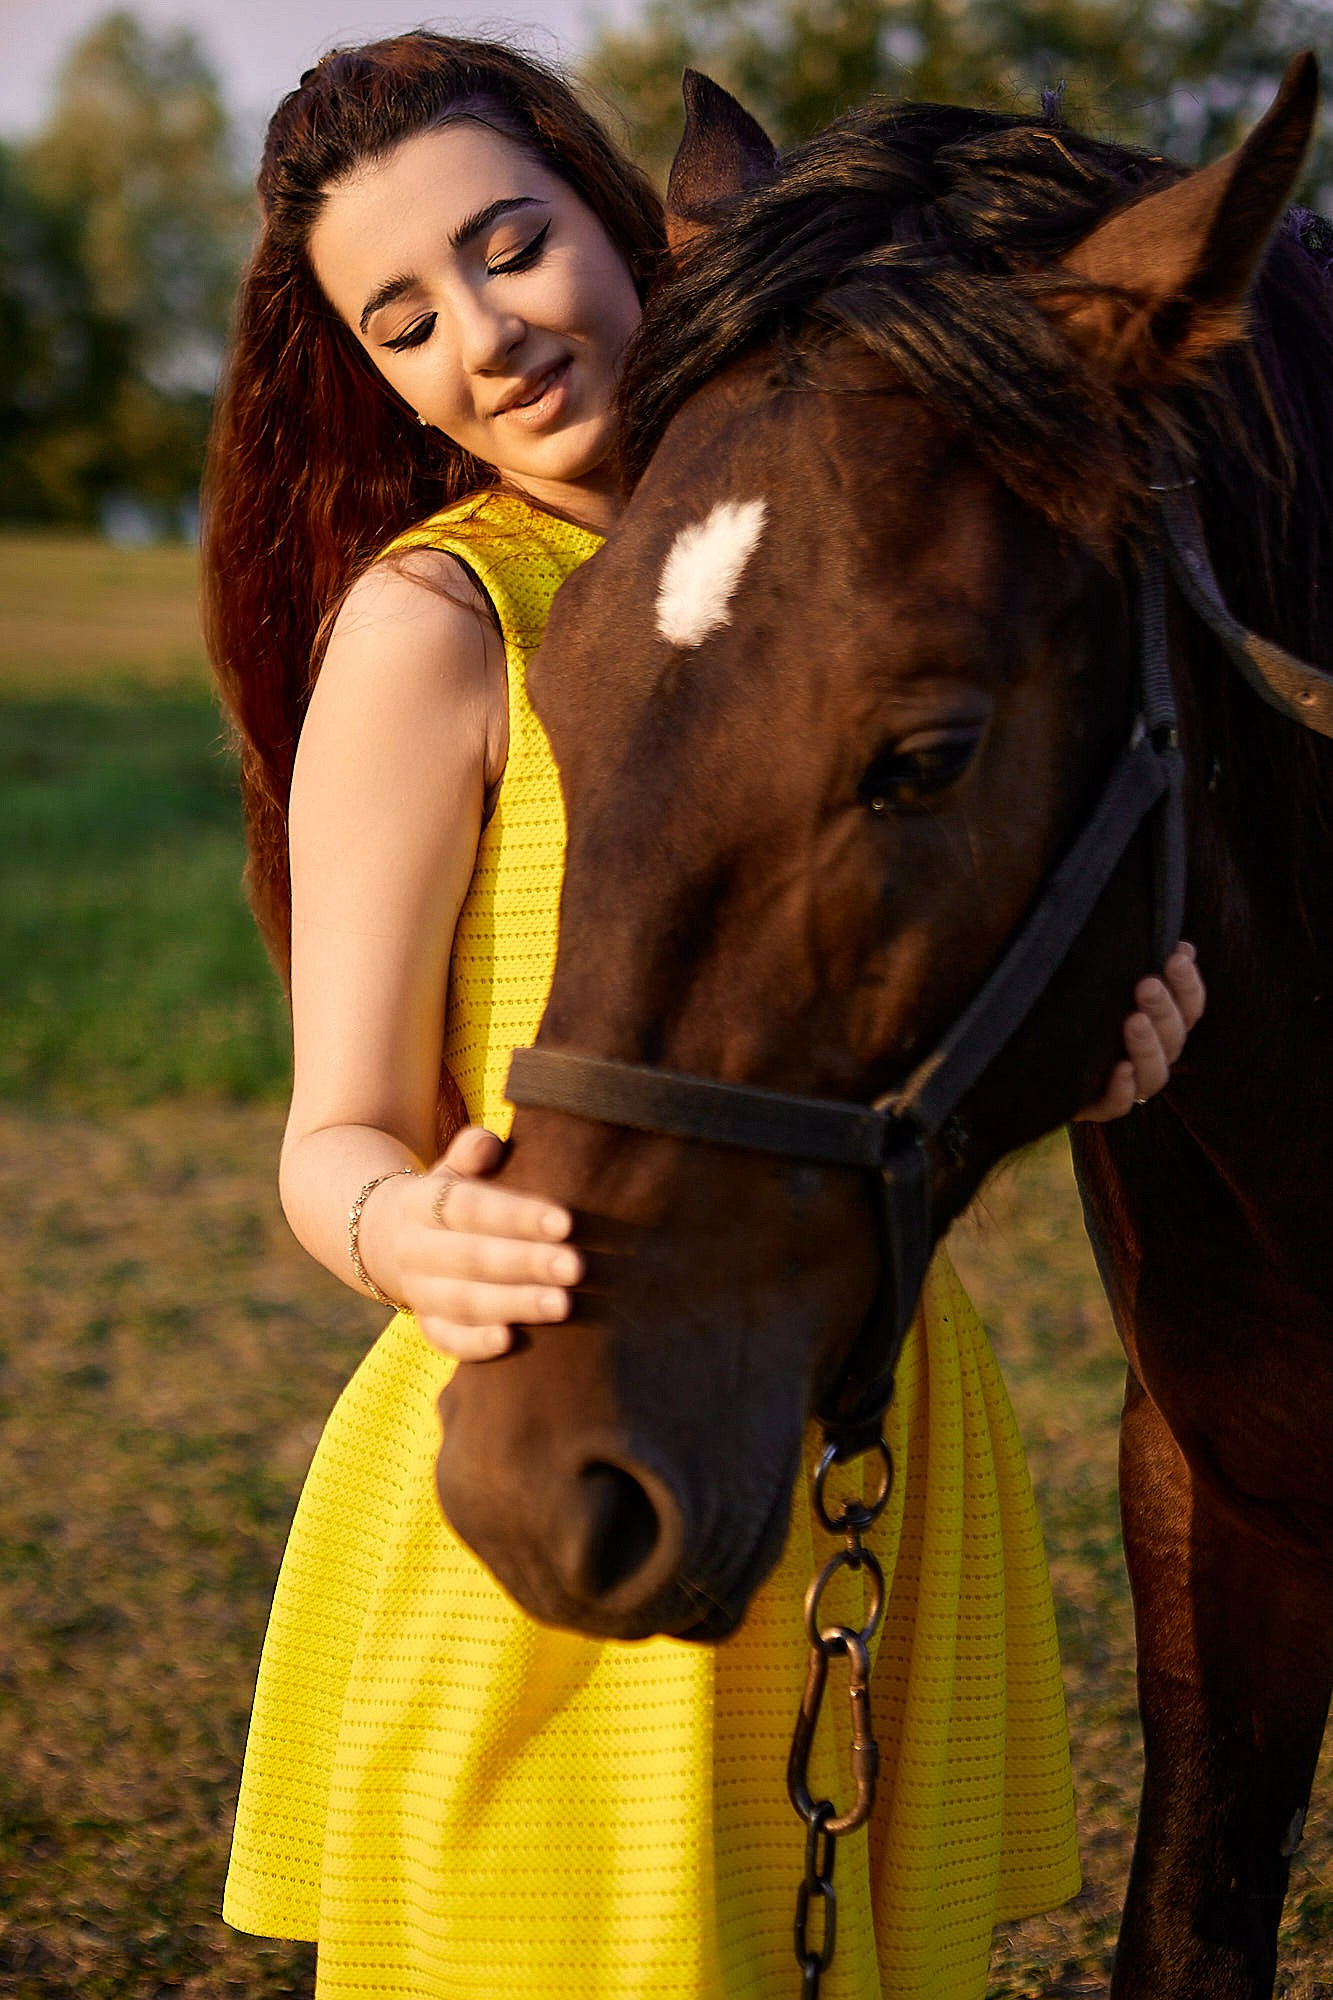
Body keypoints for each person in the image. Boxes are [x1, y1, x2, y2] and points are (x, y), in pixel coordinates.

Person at [201, 33, 1204, 2000]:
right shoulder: (433, 628)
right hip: (572, 1392)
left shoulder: (842, 562)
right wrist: (405, 1229)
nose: (481, 336)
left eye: (511, 245)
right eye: (403, 318)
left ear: (617, 218)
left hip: (865, 1404)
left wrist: (1087, 1047)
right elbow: (332, 1137)